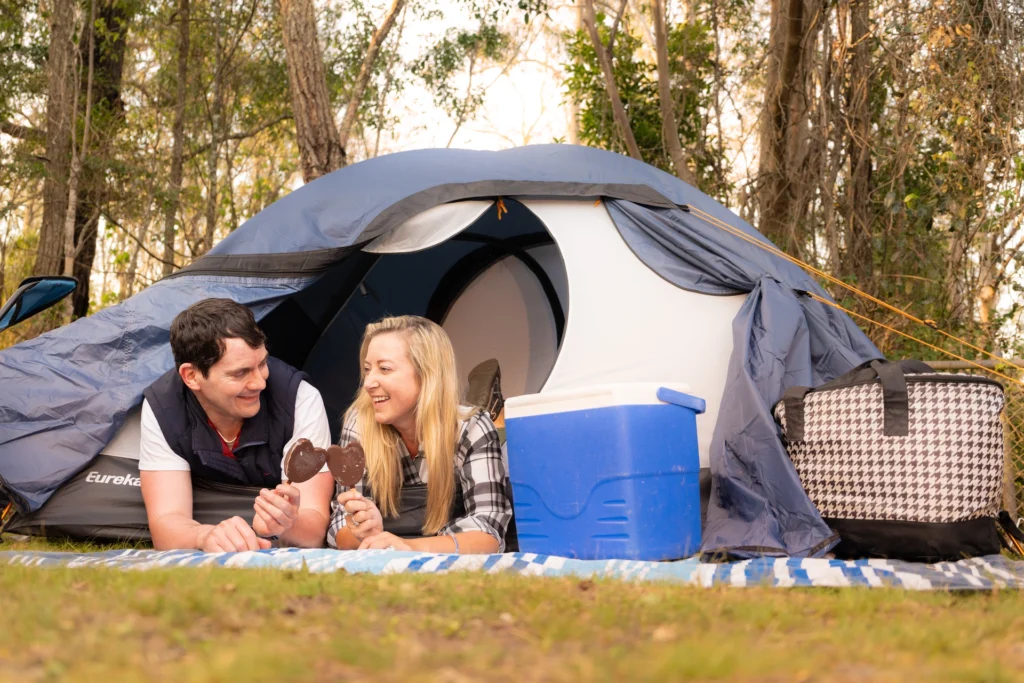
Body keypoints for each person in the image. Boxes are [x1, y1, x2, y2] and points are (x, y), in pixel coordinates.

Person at [139, 298, 334, 552]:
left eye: (262, 364)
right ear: (192, 376)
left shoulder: (300, 398)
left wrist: (287, 524)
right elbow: (166, 524)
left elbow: (315, 527)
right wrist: (205, 536)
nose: (259, 383)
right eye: (240, 373)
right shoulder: (163, 408)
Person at [327, 315, 513, 554]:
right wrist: (362, 533)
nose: (368, 383)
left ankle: (489, 399)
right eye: (367, 369)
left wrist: (406, 546)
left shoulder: (472, 428)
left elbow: (490, 534)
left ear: (427, 375)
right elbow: (339, 528)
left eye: (384, 369)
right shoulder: (361, 423)